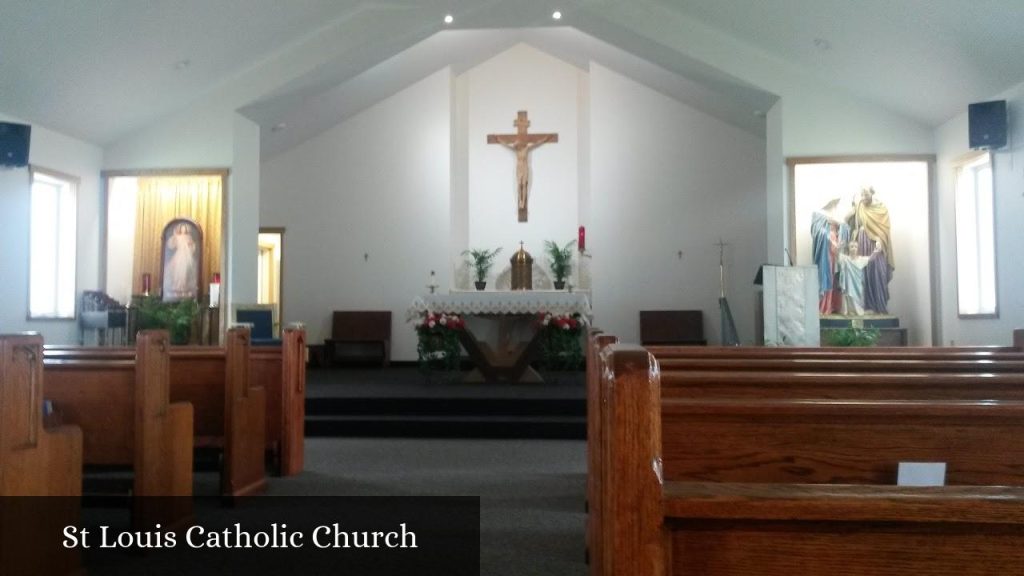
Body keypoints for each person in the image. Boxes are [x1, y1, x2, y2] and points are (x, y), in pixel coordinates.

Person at [848, 187, 893, 313]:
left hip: (876, 244)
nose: (863, 197)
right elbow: (851, 222)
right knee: (864, 273)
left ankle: (879, 306)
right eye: (861, 194)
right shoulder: (859, 206)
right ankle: (866, 306)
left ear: (872, 193)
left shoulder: (881, 208)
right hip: (862, 242)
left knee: (878, 272)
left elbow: (885, 230)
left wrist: (880, 240)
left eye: (866, 194)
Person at [810, 198, 850, 314]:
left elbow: (845, 229)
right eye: (834, 202)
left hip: (837, 250)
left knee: (835, 275)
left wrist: (841, 226)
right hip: (825, 250)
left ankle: (834, 304)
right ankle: (824, 306)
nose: (836, 205)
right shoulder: (818, 214)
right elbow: (816, 231)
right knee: (826, 274)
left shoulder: (837, 215)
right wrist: (830, 239)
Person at [163, 223, 197, 300]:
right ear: (179, 229)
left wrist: (191, 245)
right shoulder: (177, 237)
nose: (183, 229)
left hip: (186, 255)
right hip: (179, 254)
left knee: (184, 270)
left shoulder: (189, 237)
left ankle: (183, 285)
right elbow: (171, 245)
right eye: (182, 228)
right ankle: (177, 285)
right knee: (177, 270)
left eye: (185, 228)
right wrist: (174, 236)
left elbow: (192, 247)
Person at [837, 240, 870, 316]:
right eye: (852, 246)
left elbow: (870, 258)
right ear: (849, 248)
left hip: (858, 287)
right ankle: (848, 310)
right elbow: (838, 255)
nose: (854, 248)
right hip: (848, 287)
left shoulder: (861, 259)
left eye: (855, 246)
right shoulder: (845, 259)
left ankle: (858, 311)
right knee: (848, 297)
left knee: (858, 302)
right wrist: (839, 248)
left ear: (857, 248)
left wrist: (877, 252)